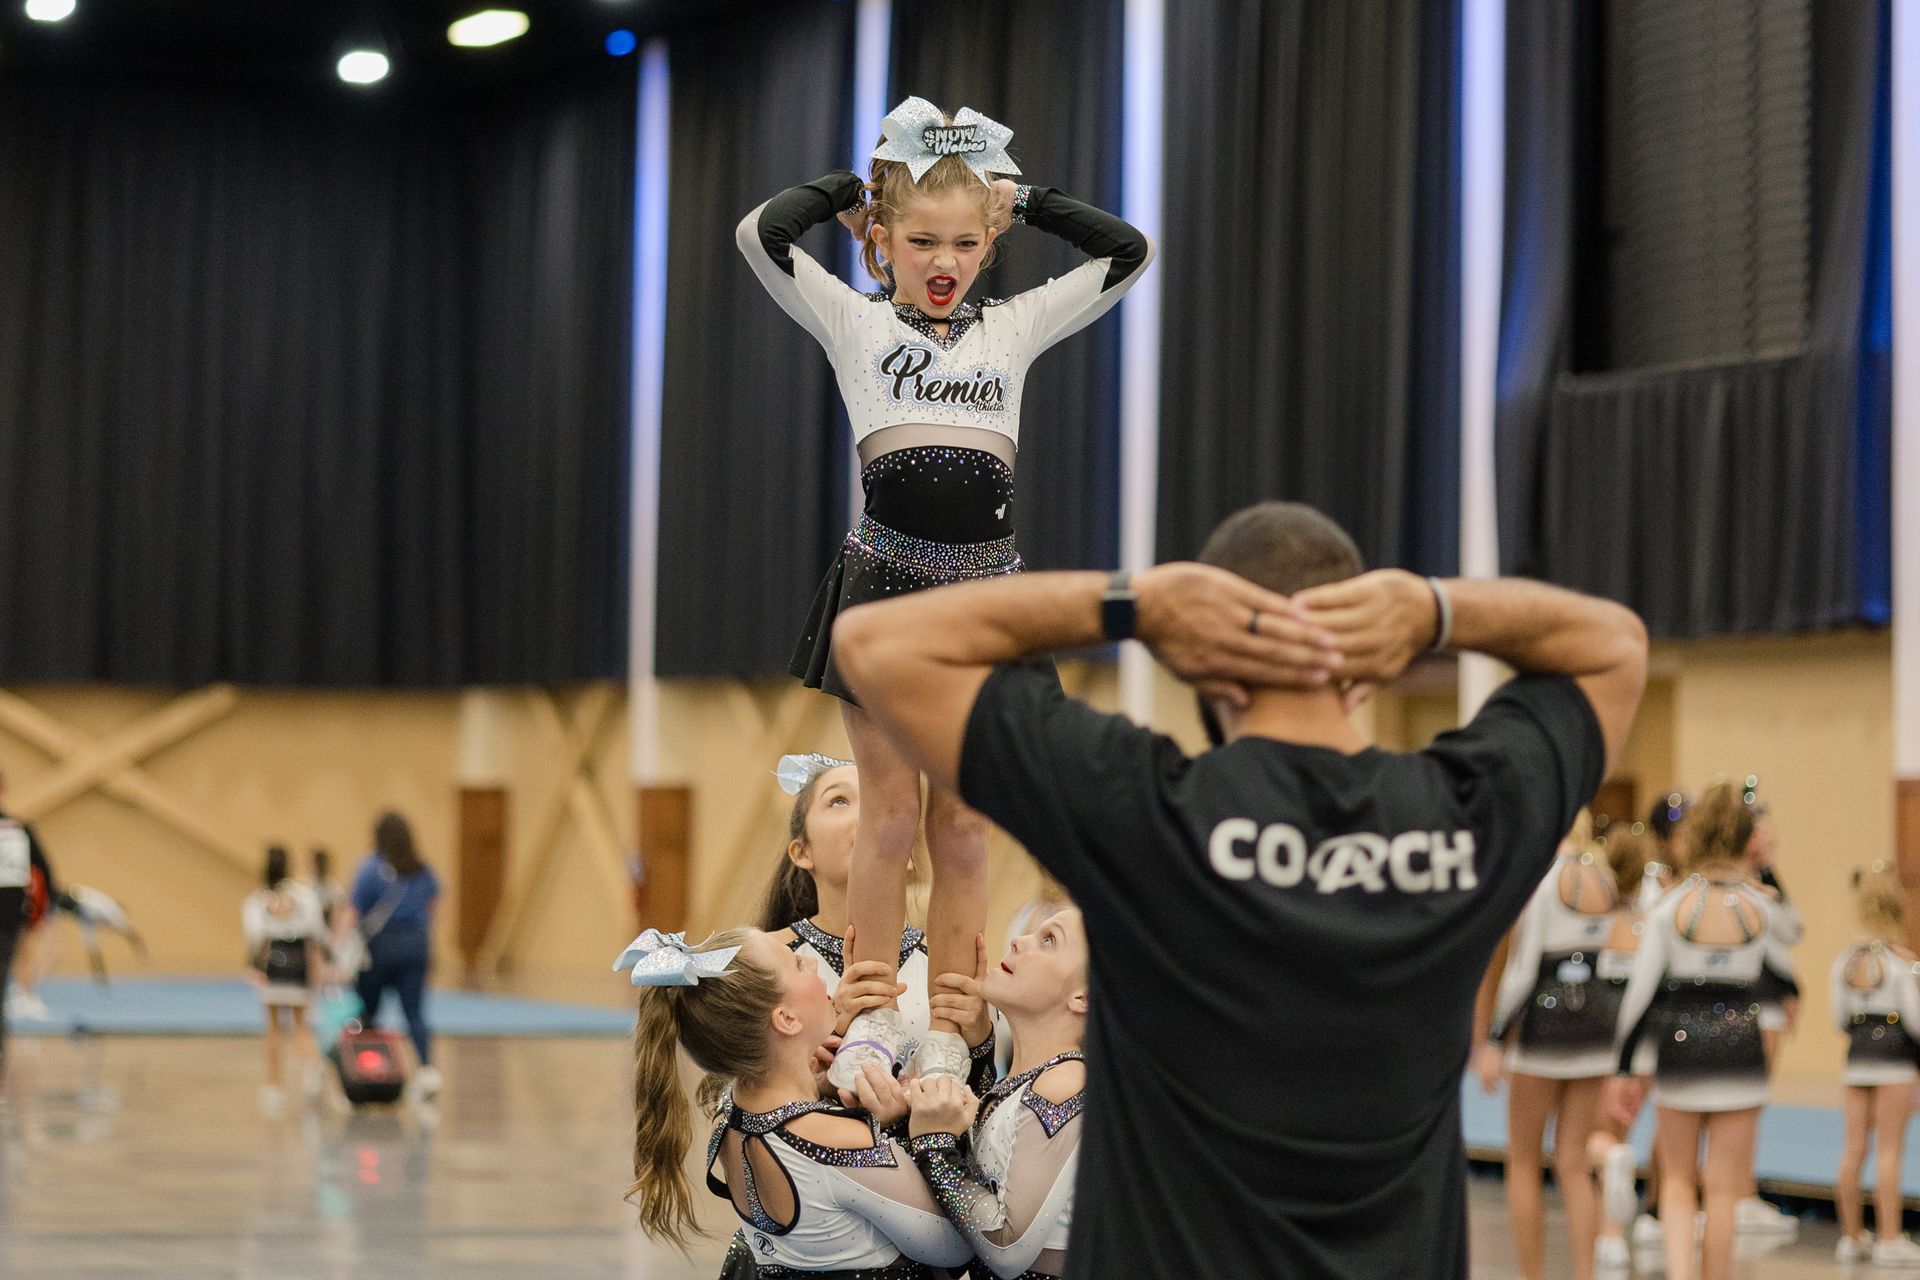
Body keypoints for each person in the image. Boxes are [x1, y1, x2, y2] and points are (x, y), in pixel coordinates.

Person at [829, 499, 1649, 1278]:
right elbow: (1614, 643)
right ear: (1366, 675)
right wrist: (1430, 610)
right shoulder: (1459, 822)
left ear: (1204, 669)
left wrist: (1138, 605)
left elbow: (874, 641)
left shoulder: (1146, 813)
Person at [737, 94, 1153, 1090]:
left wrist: (1028, 200)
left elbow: (1128, 251)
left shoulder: (1013, 327)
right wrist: (854, 189)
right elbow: (761, 235)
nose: (944, 261)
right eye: (921, 240)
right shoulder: (852, 319)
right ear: (881, 241)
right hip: (884, 588)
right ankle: (874, 1009)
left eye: (966, 243)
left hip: (982, 603)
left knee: (963, 824)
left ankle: (951, 1021)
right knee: (889, 815)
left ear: (989, 243)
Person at [617, 926, 974, 1277]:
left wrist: (813, 1067)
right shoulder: (836, 1140)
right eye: (799, 965)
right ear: (786, 1019)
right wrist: (930, 1137)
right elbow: (954, 1248)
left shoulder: (727, 1116)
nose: (813, 964)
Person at [1611, 781, 1803, 1280]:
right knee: (1722, 1188)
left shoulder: (1670, 906)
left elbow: (1640, 994)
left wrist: (1624, 1068)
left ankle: (1680, 1273)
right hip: (1742, 1044)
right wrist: (1763, 872)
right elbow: (1793, 934)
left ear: (1694, 836)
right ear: (1743, 839)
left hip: (1682, 1042)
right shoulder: (1760, 905)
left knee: (1678, 1179)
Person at [760, 753, 997, 1089]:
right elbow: (735, 1097)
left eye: (874, 801)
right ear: (802, 852)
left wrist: (980, 1037)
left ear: (906, 853)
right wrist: (830, 1027)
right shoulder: (769, 958)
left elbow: (983, 1095)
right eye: (839, 801)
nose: (870, 814)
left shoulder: (945, 959)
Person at [909, 904, 1087, 1280]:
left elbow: (1007, 1249)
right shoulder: (1032, 1081)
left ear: (1082, 998)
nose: (1019, 941)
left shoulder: (1063, 1085)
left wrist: (933, 1146)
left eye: (1049, 940)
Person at [1484, 812, 1618, 1280]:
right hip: (1597, 1025)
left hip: (1545, 1026)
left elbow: (1523, 971)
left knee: (1523, 1160)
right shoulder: (1604, 879)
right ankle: (1585, 1273)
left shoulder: (1542, 881)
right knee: (1574, 1163)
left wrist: (1495, 1036)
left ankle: (1533, 1275)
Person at [1829, 866, 1920, 1264]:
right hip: (1894, 1062)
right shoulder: (1902, 962)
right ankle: (1889, 1237)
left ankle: (1850, 1237)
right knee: (1889, 1150)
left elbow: (1838, 1019)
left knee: (1853, 1149)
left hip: (1857, 1058)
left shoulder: (1844, 962)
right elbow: (1915, 1022)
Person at [340, 811, 441, 1100]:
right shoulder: (422, 870)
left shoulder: (370, 869)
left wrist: (338, 951)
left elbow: (353, 913)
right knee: (415, 1013)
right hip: (416, 947)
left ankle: (365, 1071)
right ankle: (427, 1071)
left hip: (379, 950)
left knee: (367, 1011)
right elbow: (433, 908)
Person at [242, 844, 325, 1113]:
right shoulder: (304, 895)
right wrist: (316, 968)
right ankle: (312, 1063)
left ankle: (274, 1087)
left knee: (274, 1026)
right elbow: (315, 931)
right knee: (300, 1023)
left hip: (273, 962)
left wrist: (253, 966)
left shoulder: (258, 899)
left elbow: (255, 936)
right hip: (299, 961)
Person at [0, 767, 61, 1079]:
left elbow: (44, 871)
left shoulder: (19, 829)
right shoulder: (19, 829)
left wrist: (51, 902)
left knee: (10, 964)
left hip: (10, 915)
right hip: (10, 913)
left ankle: (23, 995)